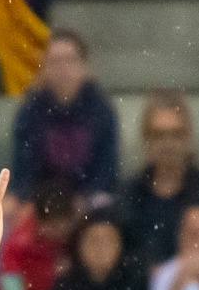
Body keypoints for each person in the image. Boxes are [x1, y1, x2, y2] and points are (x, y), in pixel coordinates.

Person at [119, 89, 199, 270]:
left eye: (176, 134)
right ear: (146, 139)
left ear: (189, 137)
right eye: (159, 135)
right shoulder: (128, 197)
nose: (168, 144)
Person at [9, 28, 118, 200]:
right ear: (44, 67)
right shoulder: (30, 109)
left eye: (69, 60)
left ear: (84, 65)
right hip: (41, 202)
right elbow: (23, 172)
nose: (62, 69)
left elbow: (105, 172)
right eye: (55, 61)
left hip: (88, 200)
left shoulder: (101, 108)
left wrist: (80, 203)